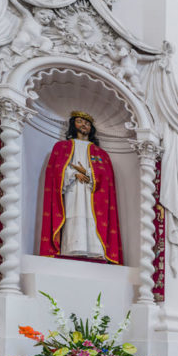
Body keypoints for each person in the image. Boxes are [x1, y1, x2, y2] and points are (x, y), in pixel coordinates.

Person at [39, 111, 122, 264]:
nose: (84, 125)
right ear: (73, 125)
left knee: (93, 218)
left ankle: (95, 251)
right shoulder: (62, 147)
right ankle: (72, 249)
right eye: (80, 121)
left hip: (93, 193)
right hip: (72, 190)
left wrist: (87, 173)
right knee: (72, 214)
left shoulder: (101, 154)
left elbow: (107, 178)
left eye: (87, 123)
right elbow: (55, 172)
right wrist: (74, 174)